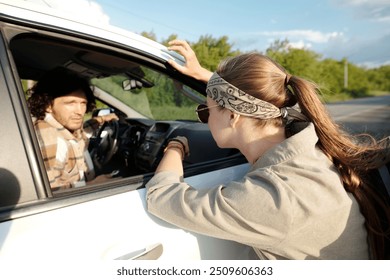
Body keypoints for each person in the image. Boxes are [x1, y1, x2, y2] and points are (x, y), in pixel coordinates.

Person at [145, 40, 390, 259]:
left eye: (205, 111)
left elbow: (160, 196)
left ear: (232, 115)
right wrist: (202, 75)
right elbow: (257, 99)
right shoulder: (307, 143)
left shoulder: (270, 200)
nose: (205, 119)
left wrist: (175, 146)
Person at [27, 67, 118, 190]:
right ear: (48, 105)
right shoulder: (50, 135)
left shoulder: (63, 127)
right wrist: (94, 184)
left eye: (83, 103)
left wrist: (102, 119)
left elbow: (82, 132)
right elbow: (50, 191)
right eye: (70, 103)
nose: (80, 111)